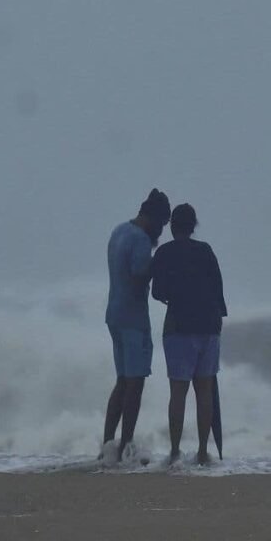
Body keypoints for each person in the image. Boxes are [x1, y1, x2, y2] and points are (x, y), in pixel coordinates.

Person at [151, 203, 227, 465]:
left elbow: (157, 292)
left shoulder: (164, 253)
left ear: (172, 226)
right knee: (205, 390)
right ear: (194, 226)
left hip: (179, 327)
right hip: (208, 326)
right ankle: (204, 451)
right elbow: (218, 290)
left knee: (178, 391)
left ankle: (174, 451)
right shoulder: (205, 251)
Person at [103, 188, 172, 461]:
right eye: (162, 225)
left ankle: (108, 443)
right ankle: (126, 446)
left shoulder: (119, 231)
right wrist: (163, 265)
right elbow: (140, 272)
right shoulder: (141, 240)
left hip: (114, 313)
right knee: (135, 383)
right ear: (153, 218)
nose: (161, 232)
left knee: (122, 381)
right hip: (133, 318)